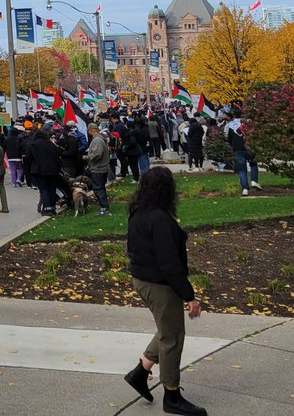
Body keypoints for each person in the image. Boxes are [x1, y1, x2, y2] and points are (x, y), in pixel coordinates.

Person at [125, 167, 207, 416]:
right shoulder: (159, 219)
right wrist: (189, 295)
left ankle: (140, 373)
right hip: (159, 284)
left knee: (166, 329)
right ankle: (171, 395)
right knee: (172, 338)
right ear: (166, 190)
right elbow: (169, 263)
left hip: (143, 279)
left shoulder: (138, 211)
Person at [28, 130, 62, 216]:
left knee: (44, 190)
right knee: (52, 189)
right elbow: (58, 156)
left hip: (39, 171)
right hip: (53, 171)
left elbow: (29, 157)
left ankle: (47, 209)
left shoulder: (34, 144)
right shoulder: (51, 144)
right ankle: (52, 208)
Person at [226, 119, 261, 196]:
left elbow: (229, 139)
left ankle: (245, 188)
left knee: (242, 169)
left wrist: (234, 147)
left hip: (238, 149)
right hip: (249, 148)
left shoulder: (232, 125)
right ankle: (254, 181)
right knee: (253, 164)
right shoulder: (249, 123)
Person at [86, 124, 112, 216]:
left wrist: (88, 157)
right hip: (102, 168)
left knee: (98, 189)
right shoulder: (101, 138)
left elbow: (97, 154)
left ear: (91, 130)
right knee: (100, 188)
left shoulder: (96, 140)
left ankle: (104, 208)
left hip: (98, 168)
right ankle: (104, 207)